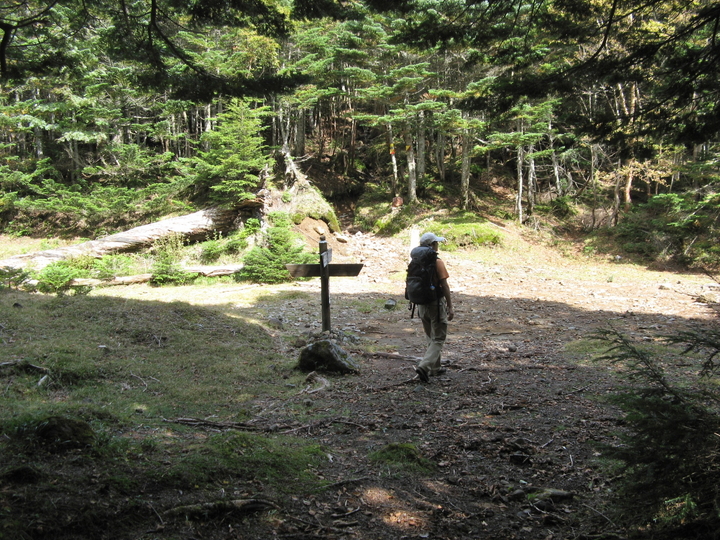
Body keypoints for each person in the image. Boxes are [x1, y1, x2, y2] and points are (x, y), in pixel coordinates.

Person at [413, 232, 454, 382]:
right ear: (431, 245)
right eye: (436, 243)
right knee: (439, 338)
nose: (438, 245)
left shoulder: (415, 261)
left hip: (421, 304)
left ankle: (435, 368)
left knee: (431, 337)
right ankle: (424, 367)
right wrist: (450, 306)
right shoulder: (437, 262)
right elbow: (444, 285)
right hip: (435, 304)